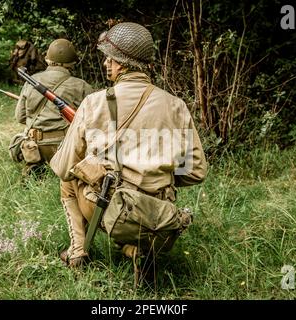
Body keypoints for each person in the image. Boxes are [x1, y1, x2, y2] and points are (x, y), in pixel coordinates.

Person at [50, 22, 207, 283]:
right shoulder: (176, 105)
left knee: (67, 181)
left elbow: (63, 165)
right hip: (157, 214)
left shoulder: (95, 102)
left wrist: (93, 163)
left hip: (109, 210)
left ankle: (78, 251)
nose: (105, 65)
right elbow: (196, 171)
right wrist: (160, 173)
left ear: (120, 64)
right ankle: (136, 249)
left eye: (108, 60)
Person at [14, 38, 93, 176]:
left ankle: (34, 168)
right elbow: (92, 122)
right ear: (72, 62)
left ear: (48, 59)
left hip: (36, 148)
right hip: (66, 149)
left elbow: (20, 118)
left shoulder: (31, 81)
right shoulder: (82, 86)